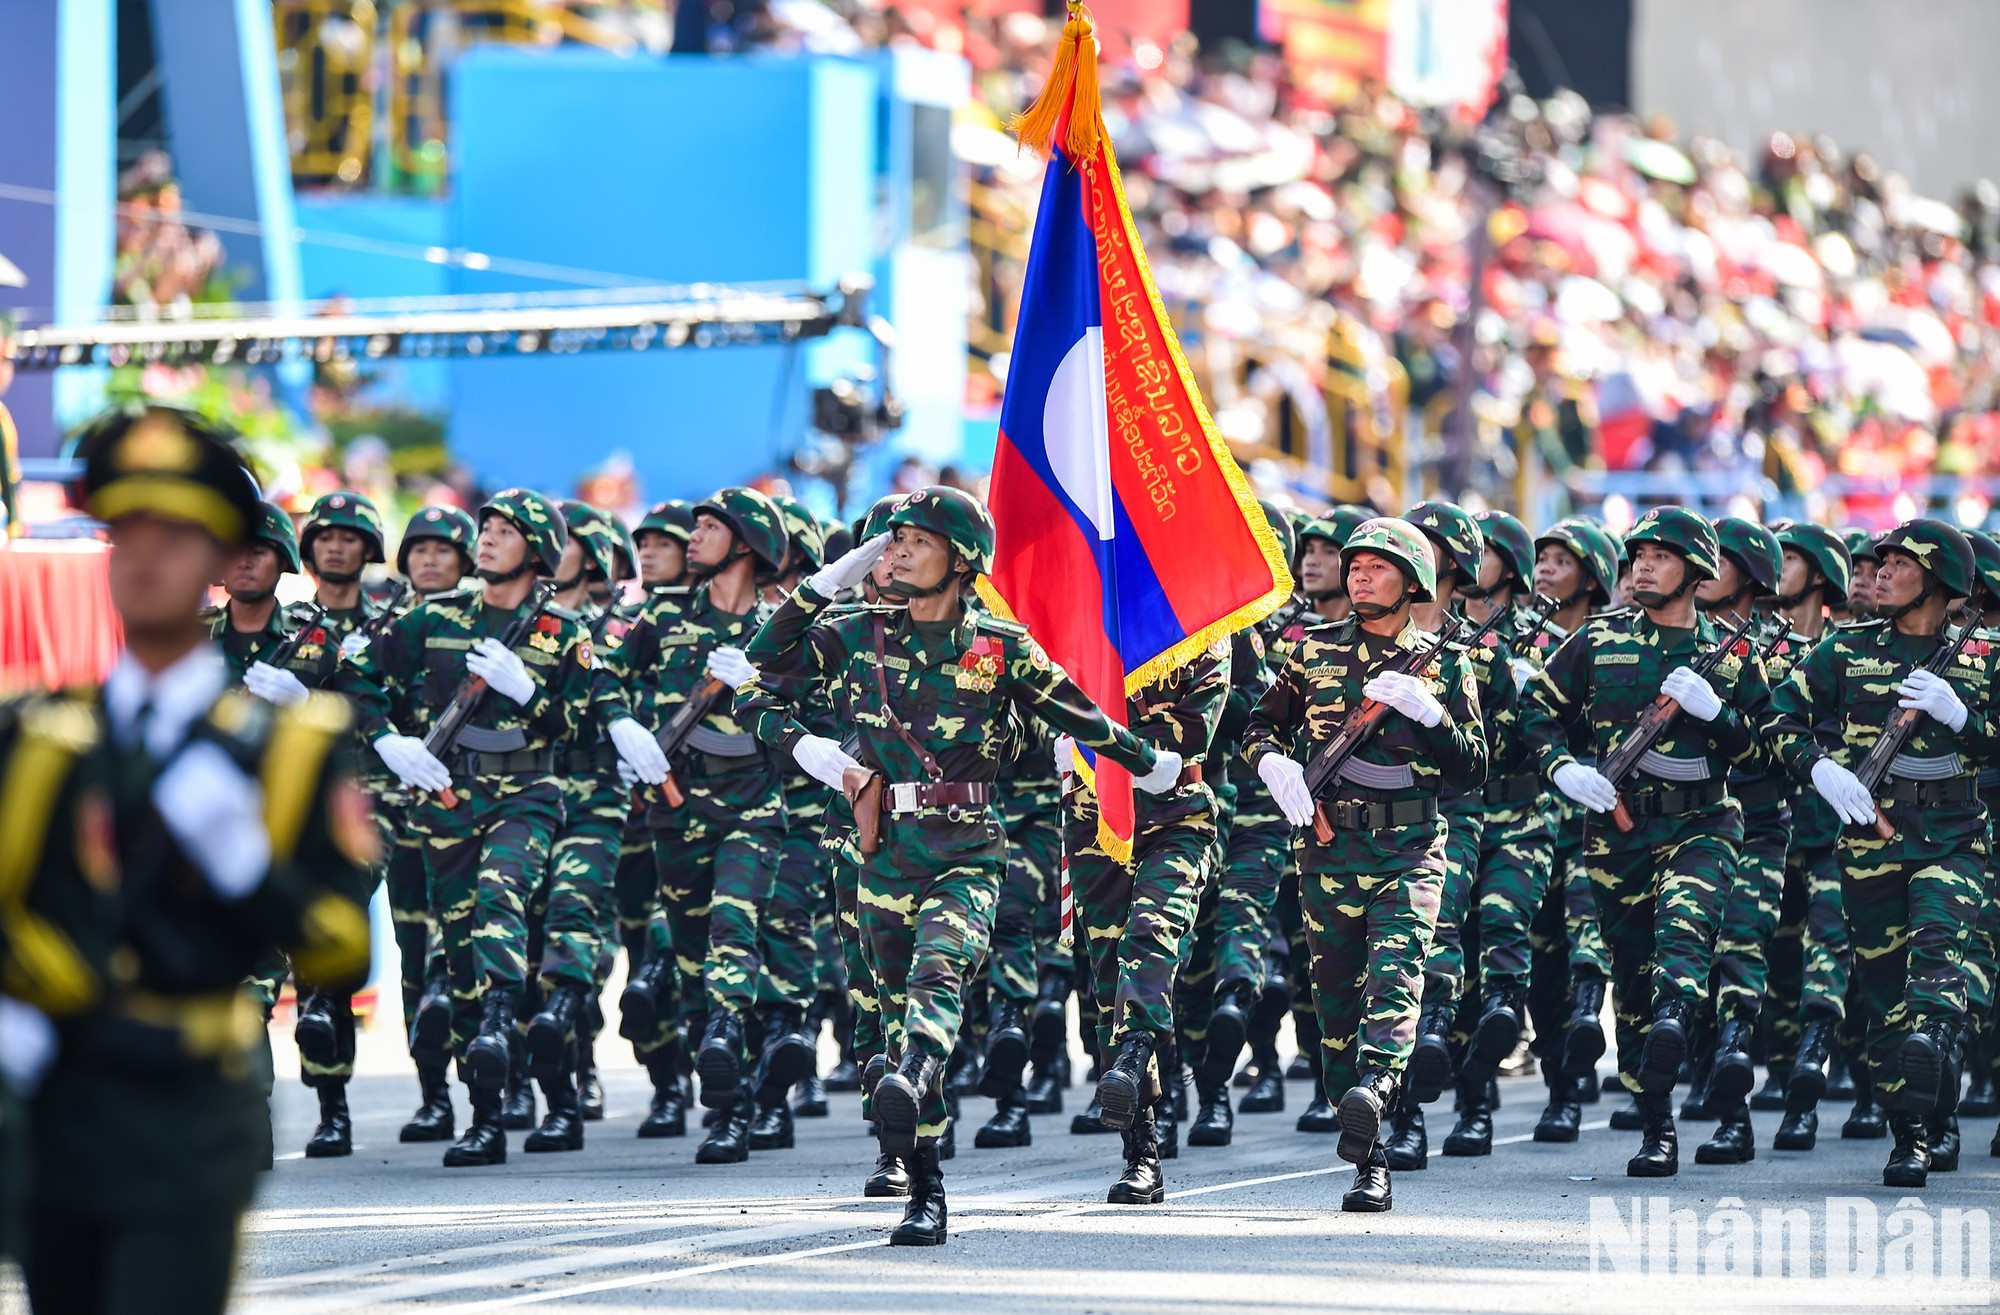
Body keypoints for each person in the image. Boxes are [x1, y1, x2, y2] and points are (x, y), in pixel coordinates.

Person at [741, 486, 1181, 1245]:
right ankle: (927, 1182)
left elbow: (1080, 711)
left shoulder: (998, 645)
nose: (896, 550)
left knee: (936, 979)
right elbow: (762, 668)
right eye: (892, 540)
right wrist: (819, 598)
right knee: (886, 1010)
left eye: (916, 540)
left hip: (967, 847)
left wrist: (1151, 765)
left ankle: (917, 1071)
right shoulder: (853, 633)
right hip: (881, 851)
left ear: (962, 560)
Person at [13, 404, 373, 1314]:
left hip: (184, 1106)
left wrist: (250, 871)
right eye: (126, 531)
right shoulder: (43, 738)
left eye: (177, 536)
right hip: (57, 1108)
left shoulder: (283, 749)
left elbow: (339, 946)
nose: (145, 557)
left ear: (218, 562)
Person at [331, 488, 665, 1167]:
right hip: (448, 795)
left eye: (505, 530)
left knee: (499, 902)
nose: (485, 539)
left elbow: (581, 724)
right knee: (459, 951)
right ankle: (490, 1111)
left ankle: (528, 1066)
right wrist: (390, 740)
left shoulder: (561, 633)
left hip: (528, 793)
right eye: (485, 527)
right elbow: (355, 675)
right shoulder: (435, 617)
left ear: (537, 550)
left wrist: (527, 691)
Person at [1519, 506, 1773, 1179]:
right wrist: (1563, 769)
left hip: (1702, 823)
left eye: (1659, 557)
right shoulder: (1600, 641)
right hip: (1617, 829)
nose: (1642, 568)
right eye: (1637, 558)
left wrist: (1718, 715)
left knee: (1682, 940)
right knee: (1630, 973)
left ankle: (1676, 1014)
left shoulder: (1730, 652)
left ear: (1696, 571)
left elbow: (1770, 749)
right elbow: (1535, 711)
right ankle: (1658, 1123)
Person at [1243, 517, 1487, 1213]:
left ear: (1413, 582)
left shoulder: (1443, 661)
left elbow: (1473, 768)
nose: (1357, 574)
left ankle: (1378, 1112)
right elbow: (1258, 727)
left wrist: (1435, 717)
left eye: (1376, 566)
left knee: (1396, 979)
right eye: (1354, 565)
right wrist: (1272, 761)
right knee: (1336, 1010)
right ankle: (1363, 1130)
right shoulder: (1309, 650)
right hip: (1327, 850)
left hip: (1409, 851)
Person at [1765, 518, 1999, 1188]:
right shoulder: (1846, 651)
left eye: (1900, 562)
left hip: (1951, 836)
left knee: (1938, 966)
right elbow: (1780, 716)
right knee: (1885, 996)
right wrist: (1818, 769)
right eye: (1882, 561)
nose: (1883, 571)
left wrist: (1964, 719)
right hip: (1870, 840)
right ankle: (1913, 1131)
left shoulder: (1985, 657)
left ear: (1940, 579)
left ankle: (1936, 1102)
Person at [596, 487, 792, 1164]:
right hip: (675, 811)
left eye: (709, 526)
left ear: (745, 544)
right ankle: (733, 1070)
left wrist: (764, 682)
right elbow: (601, 672)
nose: (694, 534)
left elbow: (828, 711)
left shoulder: (780, 626)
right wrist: (624, 725)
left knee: (732, 930)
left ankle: (731, 1105)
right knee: (686, 960)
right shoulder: (664, 613)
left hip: (752, 808)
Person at [1686, 517, 1787, 1165]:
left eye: (1714, 561)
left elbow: (1782, 741)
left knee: (1739, 957)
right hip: (1691, 826)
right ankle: (1707, 1080)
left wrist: (1719, 715)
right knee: (1688, 962)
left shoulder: (1774, 653)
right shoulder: (1677, 641)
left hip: (1757, 824)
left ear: (1747, 576)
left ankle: (1734, 1114)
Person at [381, 504, 479, 1145]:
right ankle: (432, 1096)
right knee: (414, 958)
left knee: (465, 952)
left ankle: (491, 1088)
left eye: (444, 549)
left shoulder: (487, 625)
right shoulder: (385, 627)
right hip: (400, 809)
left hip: (467, 807)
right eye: (420, 549)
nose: (431, 558)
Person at [1763, 522, 1857, 1151]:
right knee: (1770, 953)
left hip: (1832, 831)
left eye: (1789, 558)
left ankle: (1819, 1066)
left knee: (1833, 949)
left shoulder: (1852, 652)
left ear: (1819, 573)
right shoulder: (1752, 649)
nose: (1776, 566)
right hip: (1769, 827)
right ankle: (1775, 1069)